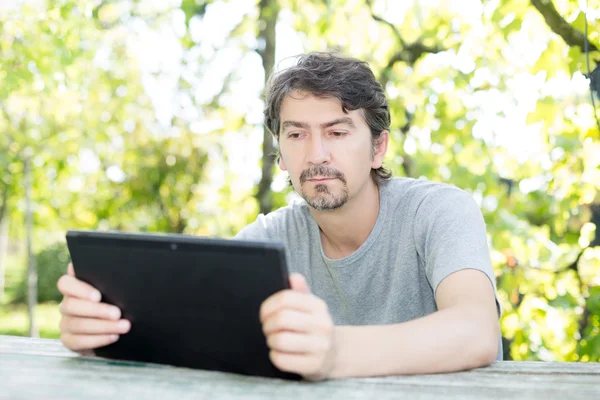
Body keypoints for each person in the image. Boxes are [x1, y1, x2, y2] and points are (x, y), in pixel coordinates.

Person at [57, 52, 502, 381]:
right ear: (281, 155)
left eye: (338, 131)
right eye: (296, 134)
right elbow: (192, 329)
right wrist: (103, 334)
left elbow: (476, 330)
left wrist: (334, 353)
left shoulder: (439, 211)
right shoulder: (269, 238)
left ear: (378, 147)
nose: (317, 154)